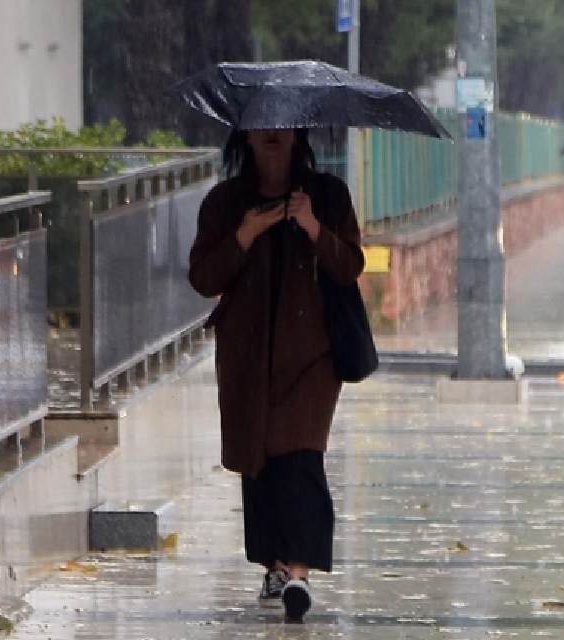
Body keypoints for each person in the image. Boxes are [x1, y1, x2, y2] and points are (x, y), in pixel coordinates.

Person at [188, 128, 364, 623]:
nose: (272, 133)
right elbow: (203, 277)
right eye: (263, 124)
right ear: (245, 133)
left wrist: (312, 226)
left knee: (302, 456)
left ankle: (300, 574)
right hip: (246, 355)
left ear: (298, 133)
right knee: (259, 457)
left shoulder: (328, 195)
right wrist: (244, 234)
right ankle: (277, 565)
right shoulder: (225, 202)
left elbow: (350, 265)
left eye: (283, 124)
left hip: (312, 356)